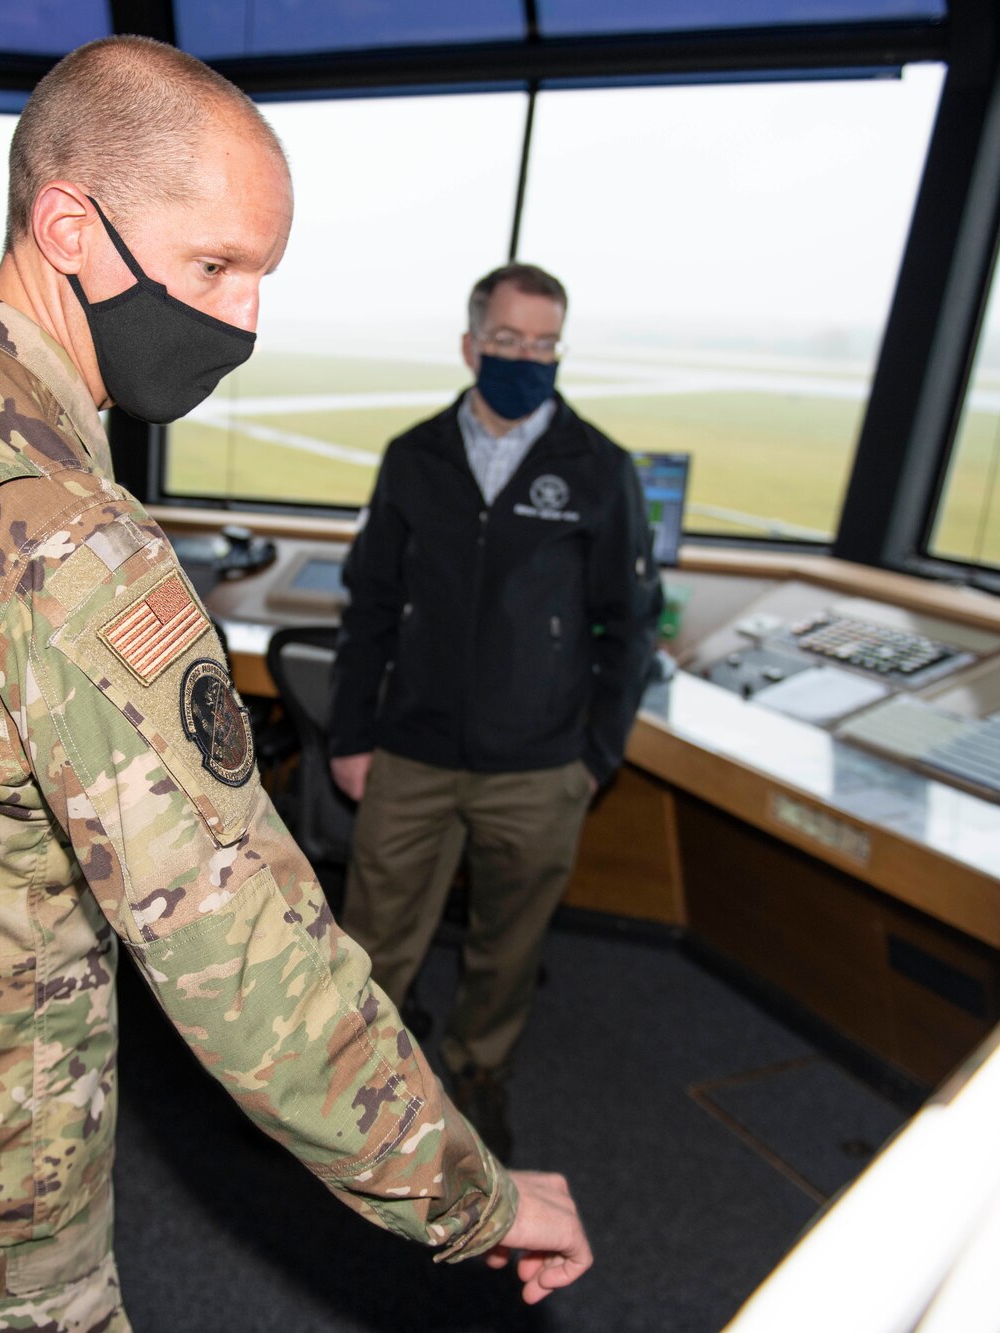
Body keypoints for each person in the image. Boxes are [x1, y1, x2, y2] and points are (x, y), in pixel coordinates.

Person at [0, 36, 591, 1331]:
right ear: (66, 224)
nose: (243, 318)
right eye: (214, 265)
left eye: (263, 277)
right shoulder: (68, 540)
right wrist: (472, 1195)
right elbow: (240, 945)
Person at [329, 262, 664, 1162]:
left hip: (540, 766)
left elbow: (629, 627)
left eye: (544, 344)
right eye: (509, 341)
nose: (527, 358)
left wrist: (595, 756)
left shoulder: (599, 470)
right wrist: (352, 735)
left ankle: (479, 1072)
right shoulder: (415, 457)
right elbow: (368, 606)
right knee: (375, 937)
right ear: (472, 344)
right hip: (412, 752)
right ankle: (362, 1085)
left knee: (507, 947)